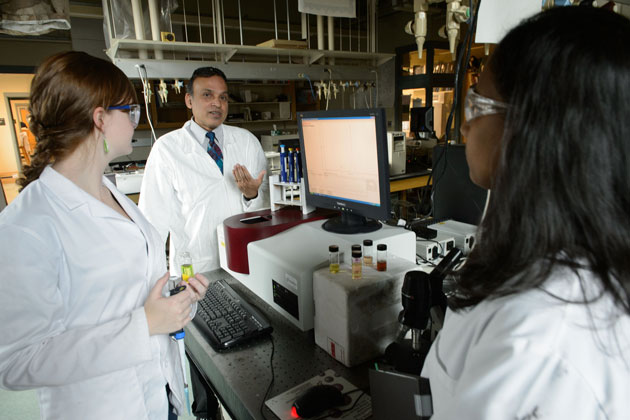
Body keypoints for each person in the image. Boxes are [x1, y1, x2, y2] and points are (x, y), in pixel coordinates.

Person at [421, 6, 630, 419]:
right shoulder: (547, 249)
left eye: (476, 104)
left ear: (536, 129)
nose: (463, 127)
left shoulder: (541, 340)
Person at [0, 51, 209, 420]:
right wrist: (144, 324)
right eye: (129, 112)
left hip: (161, 394)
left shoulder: (108, 192)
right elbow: (17, 362)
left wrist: (173, 297)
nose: (133, 123)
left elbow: (116, 290)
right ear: (100, 119)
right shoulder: (27, 225)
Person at [139, 66, 268, 277]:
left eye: (223, 97)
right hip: (196, 268)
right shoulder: (167, 149)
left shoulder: (246, 142)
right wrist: (151, 281)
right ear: (189, 100)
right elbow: (152, 221)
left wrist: (251, 194)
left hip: (245, 261)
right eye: (207, 95)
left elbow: (267, 211)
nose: (217, 103)